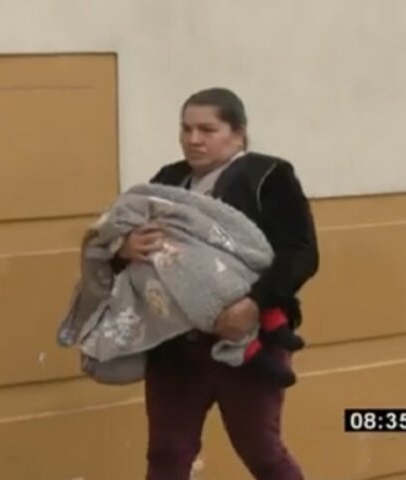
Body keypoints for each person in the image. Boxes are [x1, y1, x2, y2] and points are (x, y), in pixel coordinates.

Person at [116, 87, 319, 480]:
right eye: (186, 129)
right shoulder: (168, 181)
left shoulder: (268, 177)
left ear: (238, 134)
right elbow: (124, 240)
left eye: (207, 130)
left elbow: (301, 253)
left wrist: (253, 305)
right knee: (167, 453)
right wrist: (125, 248)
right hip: (175, 342)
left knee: (262, 452)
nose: (194, 139)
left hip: (246, 339)